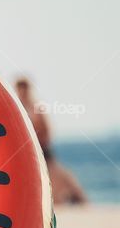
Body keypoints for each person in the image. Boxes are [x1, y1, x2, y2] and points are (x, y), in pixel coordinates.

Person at [14, 76, 87, 205]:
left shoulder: (35, 107)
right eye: (20, 89)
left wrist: (42, 143)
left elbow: (47, 128)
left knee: (54, 174)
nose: (22, 92)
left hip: (40, 147)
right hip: (25, 149)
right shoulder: (17, 105)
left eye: (24, 89)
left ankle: (76, 197)